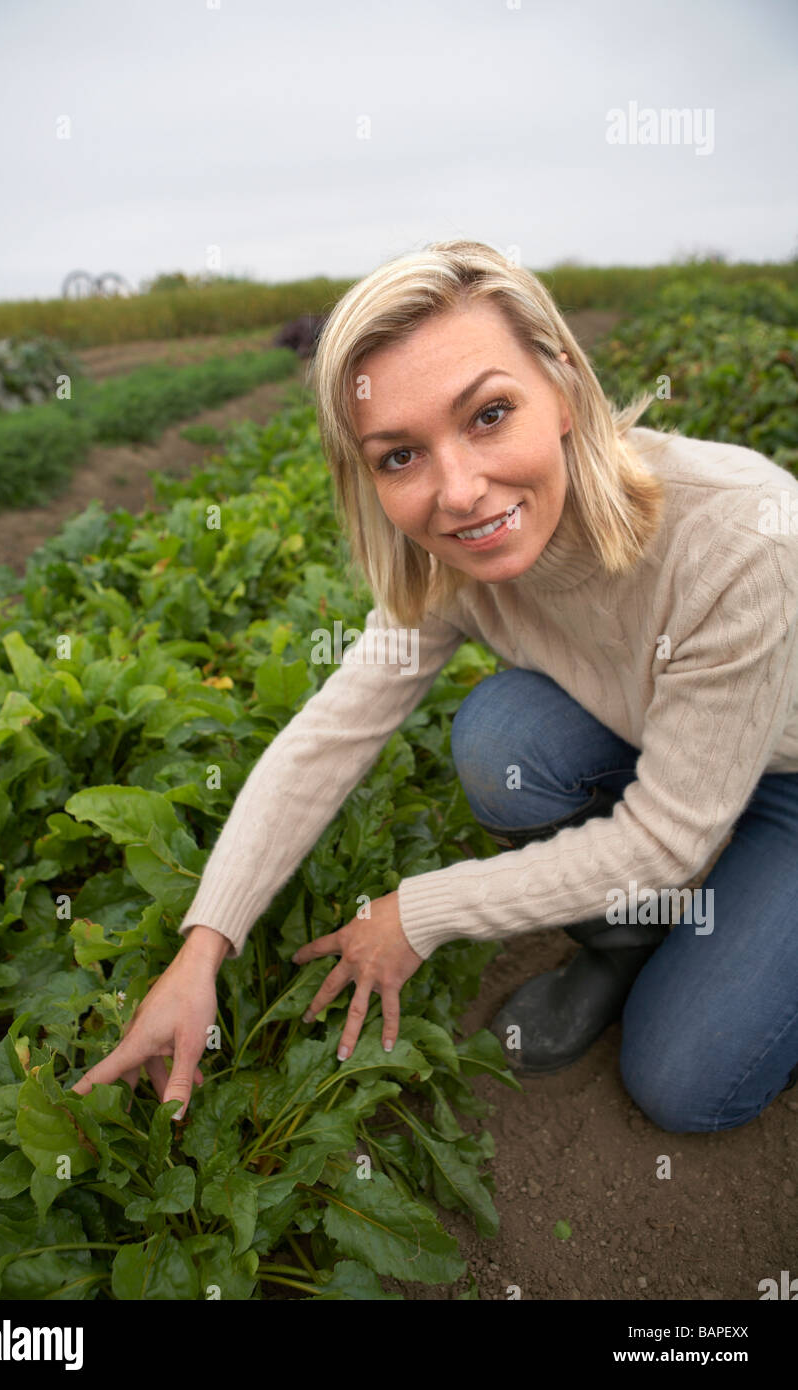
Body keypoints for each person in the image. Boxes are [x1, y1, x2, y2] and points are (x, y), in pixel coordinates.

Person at [72, 239, 798, 1134]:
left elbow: (667, 838)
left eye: (489, 414)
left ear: (564, 387)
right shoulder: (452, 563)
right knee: (503, 741)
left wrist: (418, 914)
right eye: (399, 456)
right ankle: (627, 944)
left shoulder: (738, 537)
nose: (459, 492)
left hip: (788, 773)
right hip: (675, 741)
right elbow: (327, 736)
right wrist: (202, 948)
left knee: (685, 1082)